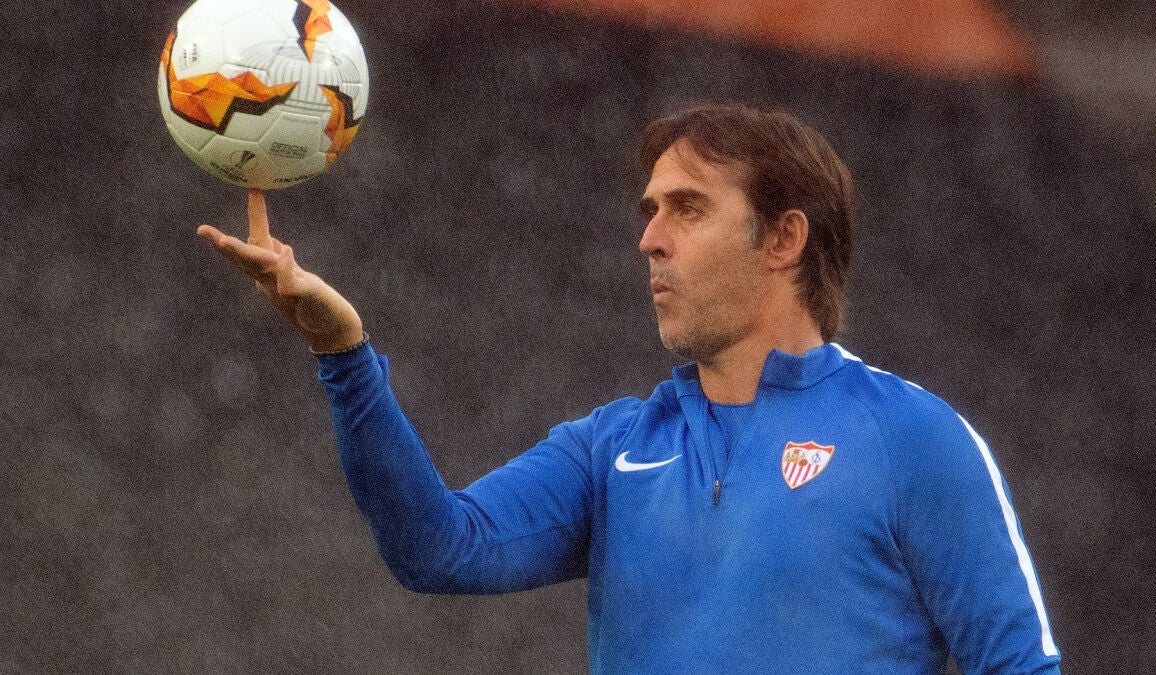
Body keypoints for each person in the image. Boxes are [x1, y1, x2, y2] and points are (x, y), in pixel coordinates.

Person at [198, 103, 1061, 673]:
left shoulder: (911, 438)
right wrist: (343, 354)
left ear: (783, 238)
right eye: (649, 211)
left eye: (687, 208)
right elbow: (439, 549)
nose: (649, 238)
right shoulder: (611, 448)